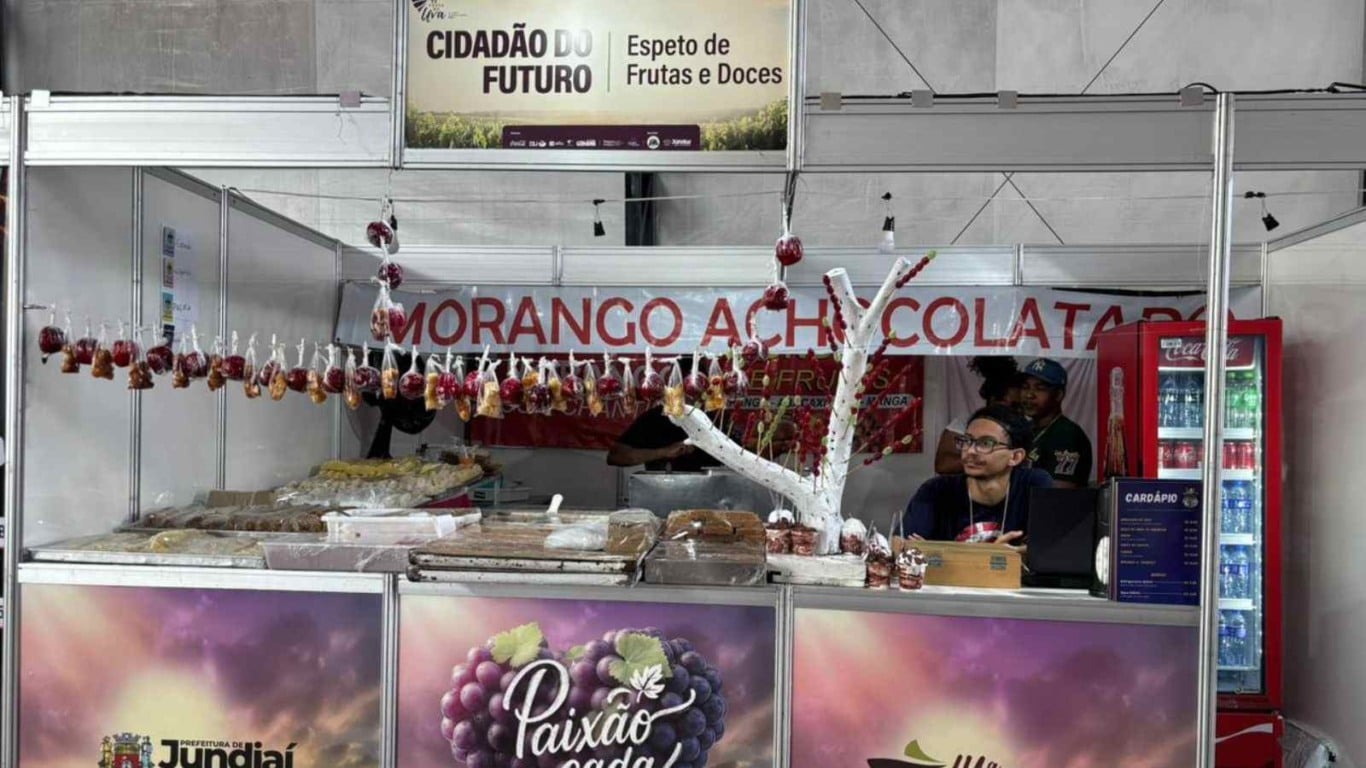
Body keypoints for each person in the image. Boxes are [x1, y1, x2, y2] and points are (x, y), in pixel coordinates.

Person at [901, 404, 1052, 545]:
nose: (971, 451)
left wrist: (937, 551)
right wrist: (992, 555)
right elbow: (901, 546)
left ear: (1015, 457)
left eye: (986, 443)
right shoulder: (936, 490)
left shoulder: (1034, 484)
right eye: (967, 441)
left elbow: (1050, 549)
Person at [934, 356, 1022, 474]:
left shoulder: (1025, 425)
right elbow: (943, 465)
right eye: (1003, 403)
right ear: (991, 399)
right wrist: (987, 456)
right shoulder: (965, 422)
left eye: (1015, 406)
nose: (1008, 410)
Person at [1019, 357, 1093, 488]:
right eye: (1025, 387)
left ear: (1058, 395)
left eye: (1039, 388)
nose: (1029, 395)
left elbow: (1058, 495)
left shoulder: (1067, 435)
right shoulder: (1025, 428)